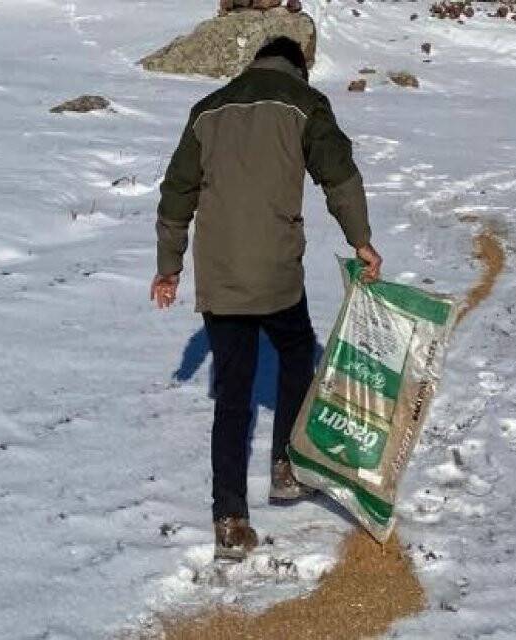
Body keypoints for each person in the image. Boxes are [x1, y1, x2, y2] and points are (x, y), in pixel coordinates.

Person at [150, 36, 382, 561]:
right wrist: (361, 239)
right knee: (298, 351)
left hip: (222, 275)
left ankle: (229, 519)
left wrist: (169, 269)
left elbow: (176, 194)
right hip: (276, 271)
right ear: (299, 67)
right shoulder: (304, 103)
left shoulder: (207, 110)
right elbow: (338, 174)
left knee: (232, 396)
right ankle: (286, 466)